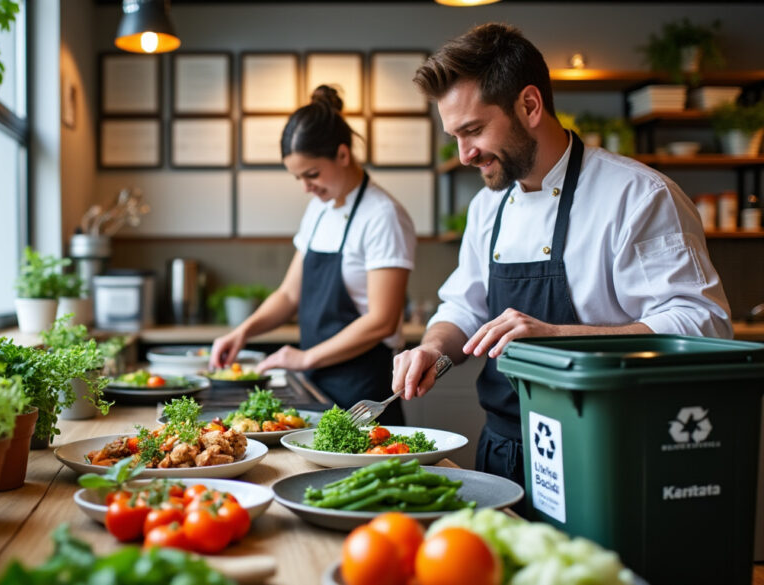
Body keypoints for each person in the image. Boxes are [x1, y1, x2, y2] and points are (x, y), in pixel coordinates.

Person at [392, 23, 732, 485]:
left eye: (473, 130)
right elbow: (465, 305)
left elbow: (703, 324)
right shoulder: (488, 205)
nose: (465, 154)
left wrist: (557, 337)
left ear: (529, 105)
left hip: (604, 449)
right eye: (454, 135)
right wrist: (433, 346)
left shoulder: (639, 196)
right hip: (504, 449)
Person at [211, 85, 416, 425]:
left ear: (343, 154)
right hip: (319, 387)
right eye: (298, 178)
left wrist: (305, 358)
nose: (306, 187)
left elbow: (382, 320)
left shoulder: (384, 216)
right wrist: (242, 333)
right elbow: (290, 294)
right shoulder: (319, 211)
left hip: (364, 390)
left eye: (312, 174)